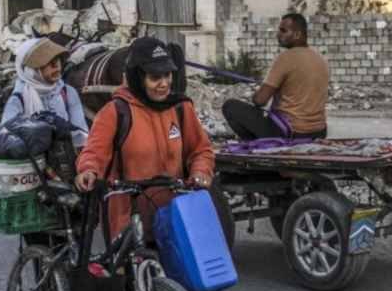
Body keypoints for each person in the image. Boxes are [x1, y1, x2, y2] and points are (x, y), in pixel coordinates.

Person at [75, 36, 215, 238]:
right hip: (129, 219)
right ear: (137, 78)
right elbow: (94, 152)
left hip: (176, 215)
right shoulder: (115, 112)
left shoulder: (181, 108)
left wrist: (200, 171)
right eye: (155, 77)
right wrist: (88, 170)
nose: (164, 83)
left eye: (167, 75)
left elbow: (200, 150)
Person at [221, 13, 329, 141]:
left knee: (230, 106)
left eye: (283, 31)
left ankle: (259, 146)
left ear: (297, 34)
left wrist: (257, 94)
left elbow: (260, 101)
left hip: (289, 132)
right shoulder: (320, 59)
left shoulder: (286, 58)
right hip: (318, 132)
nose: (278, 34)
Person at [0, 37, 89, 147]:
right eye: (49, 62)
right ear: (32, 71)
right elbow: (6, 136)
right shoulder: (19, 98)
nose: (56, 66)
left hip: (64, 158)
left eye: (57, 60)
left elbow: (82, 135)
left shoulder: (67, 92)